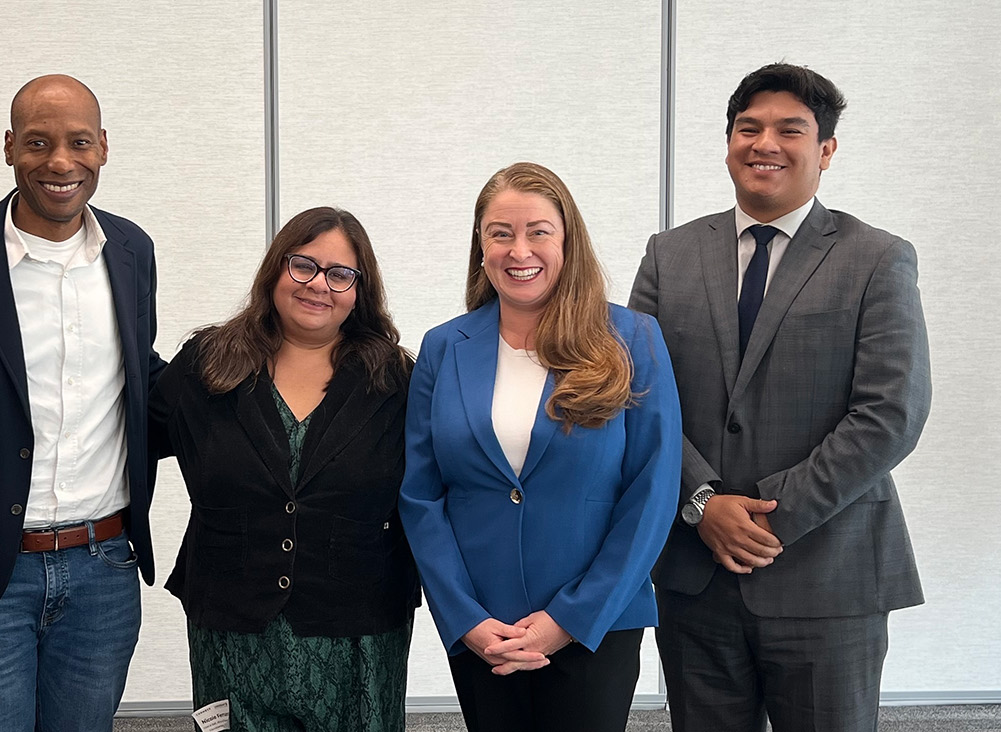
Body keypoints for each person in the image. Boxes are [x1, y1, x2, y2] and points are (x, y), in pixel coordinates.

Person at [630, 63, 931, 732]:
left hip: (829, 577)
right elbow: (636, 395)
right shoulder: (668, 255)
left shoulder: (876, 258)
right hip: (694, 576)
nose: (763, 142)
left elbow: (890, 413)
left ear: (824, 150)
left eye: (788, 129)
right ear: (729, 141)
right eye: (748, 127)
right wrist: (701, 503)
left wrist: (769, 517)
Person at [0, 74, 163, 732]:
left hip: (105, 569)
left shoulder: (131, 251)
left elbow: (144, 382)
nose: (60, 162)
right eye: (38, 142)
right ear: (10, 147)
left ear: (103, 148)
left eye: (78, 143)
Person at [399, 162, 681, 732]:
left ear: (568, 241)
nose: (517, 249)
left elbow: (652, 491)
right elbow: (421, 496)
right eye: (499, 233)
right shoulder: (442, 347)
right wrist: (464, 618)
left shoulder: (632, 338)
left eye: (538, 231)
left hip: (596, 622)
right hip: (485, 631)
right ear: (481, 248)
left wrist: (567, 619)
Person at [149, 207, 420, 731]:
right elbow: (128, 441)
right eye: (304, 265)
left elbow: (437, 489)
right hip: (232, 624)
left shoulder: (396, 379)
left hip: (359, 630)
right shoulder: (206, 364)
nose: (319, 284)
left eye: (340, 274)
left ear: (360, 290)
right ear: (276, 268)